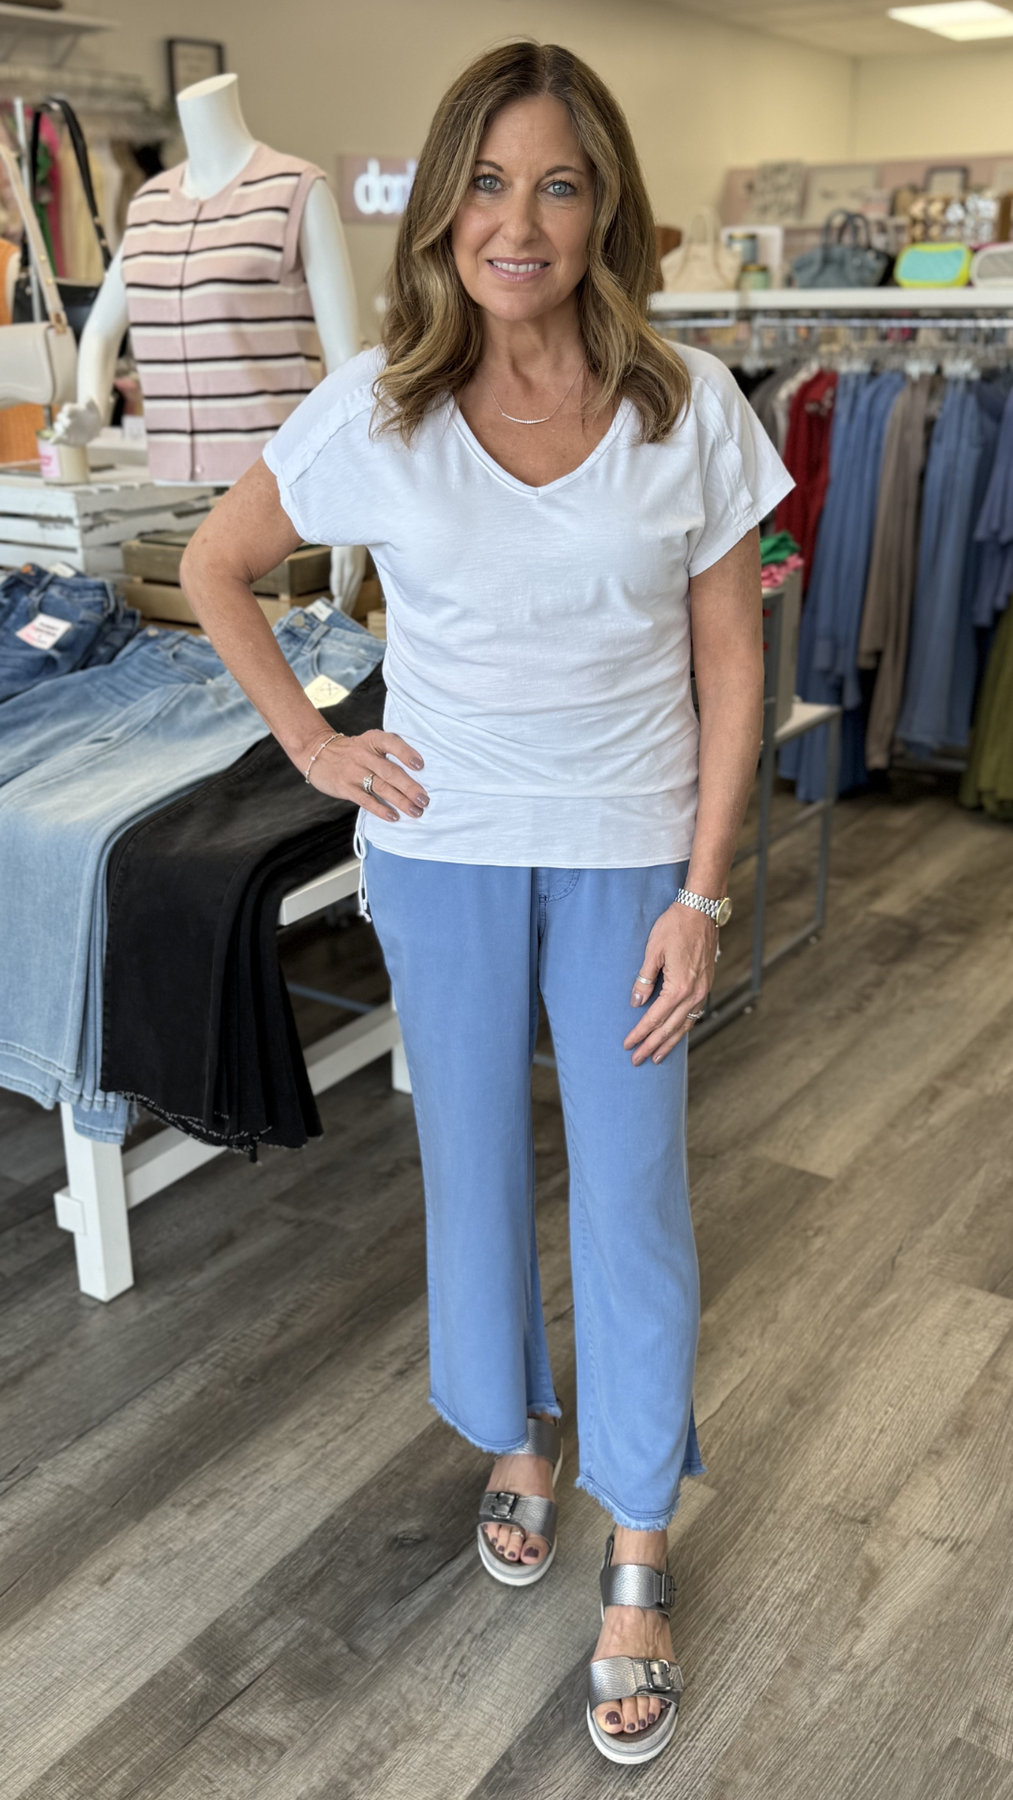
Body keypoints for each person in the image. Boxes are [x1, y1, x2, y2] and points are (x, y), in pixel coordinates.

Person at [180, 39, 792, 1766]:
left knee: (632, 1193)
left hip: (626, 856)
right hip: (439, 854)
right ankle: (520, 1435)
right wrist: (315, 740)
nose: (519, 222)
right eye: (490, 183)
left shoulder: (690, 407)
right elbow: (221, 566)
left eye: (560, 184)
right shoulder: (376, 405)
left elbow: (732, 671)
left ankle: (638, 1538)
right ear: (444, 205)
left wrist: (702, 896)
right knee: (468, 1169)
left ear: (607, 210)